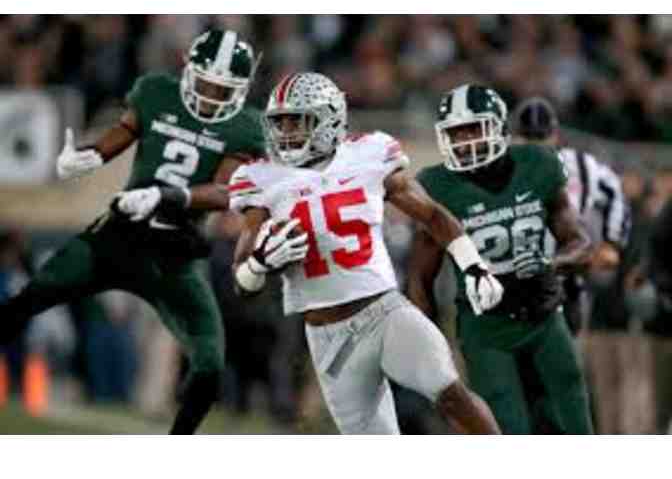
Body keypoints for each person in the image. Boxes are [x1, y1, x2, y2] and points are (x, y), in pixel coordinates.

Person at [0, 29, 266, 434]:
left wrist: (166, 197)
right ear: (188, 70)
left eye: (223, 89)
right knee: (27, 299)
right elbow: (124, 131)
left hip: (176, 252)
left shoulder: (244, 127)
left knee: (209, 361)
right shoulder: (157, 92)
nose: (212, 96)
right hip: (119, 234)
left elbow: (225, 191)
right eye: (207, 83)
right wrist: (89, 157)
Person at [229, 72, 503, 435]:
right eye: (280, 122)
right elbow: (242, 283)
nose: (287, 132)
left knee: (449, 392)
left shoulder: (368, 154)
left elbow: (432, 215)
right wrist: (258, 263)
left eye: (298, 121)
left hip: (384, 313)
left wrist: (474, 266)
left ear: (329, 119)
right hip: (328, 338)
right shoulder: (261, 178)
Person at [407, 84, 594, 434]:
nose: (465, 141)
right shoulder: (437, 185)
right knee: (507, 430)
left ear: (499, 127)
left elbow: (581, 243)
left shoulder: (537, 164)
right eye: (456, 133)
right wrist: (431, 345)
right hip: (486, 329)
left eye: (473, 129)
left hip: (544, 316)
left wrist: (552, 264)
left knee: (573, 423)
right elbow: (420, 278)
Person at [510, 96, 630, 334]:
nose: (535, 145)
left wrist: (612, 241)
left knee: (565, 342)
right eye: (528, 138)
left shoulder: (581, 165)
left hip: (565, 272)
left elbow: (614, 190)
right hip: (513, 274)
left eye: (540, 137)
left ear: (555, 136)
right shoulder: (501, 167)